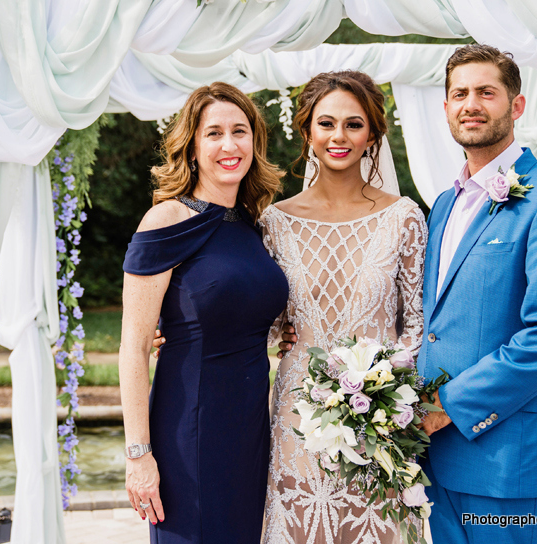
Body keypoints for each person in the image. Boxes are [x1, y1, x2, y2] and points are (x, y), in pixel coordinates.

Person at [415, 44, 537, 543]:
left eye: (486, 92)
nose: (470, 104)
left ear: (516, 106)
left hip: (505, 459)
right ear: (447, 108)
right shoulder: (442, 205)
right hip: (432, 457)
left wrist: (447, 405)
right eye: (459, 94)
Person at [259, 70, 427, 544]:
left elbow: (416, 323)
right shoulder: (274, 222)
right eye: (326, 123)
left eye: (353, 124)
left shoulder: (404, 217)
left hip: (377, 422)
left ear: (372, 133)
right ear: (307, 131)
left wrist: (383, 394)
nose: (339, 136)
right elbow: (262, 319)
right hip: (295, 423)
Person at [119, 82, 289, 544]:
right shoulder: (165, 222)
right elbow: (133, 349)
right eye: (213, 133)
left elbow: (243, 311)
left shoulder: (254, 226)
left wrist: (285, 333)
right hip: (189, 427)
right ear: (192, 146)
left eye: (240, 131)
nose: (229, 145)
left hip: (250, 428)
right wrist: (139, 456)